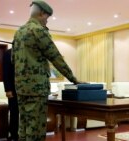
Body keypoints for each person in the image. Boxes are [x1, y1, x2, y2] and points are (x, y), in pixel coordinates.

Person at [12, 0, 83, 140]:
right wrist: (73, 79)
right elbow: (56, 57)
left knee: (24, 126)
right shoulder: (38, 30)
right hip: (36, 88)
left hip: (21, 87)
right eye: (47, 17)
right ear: (41, 13)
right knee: (36, 129)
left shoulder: (19, 32)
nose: (47, 21)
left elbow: (13, 59)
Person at [2, 48, 19, 141]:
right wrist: (8, 89)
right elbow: (5, 73)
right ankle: (13, 135)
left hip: (27, 89)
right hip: (13, 89)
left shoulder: (28, 51)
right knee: (14, 113)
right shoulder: (9, 53)